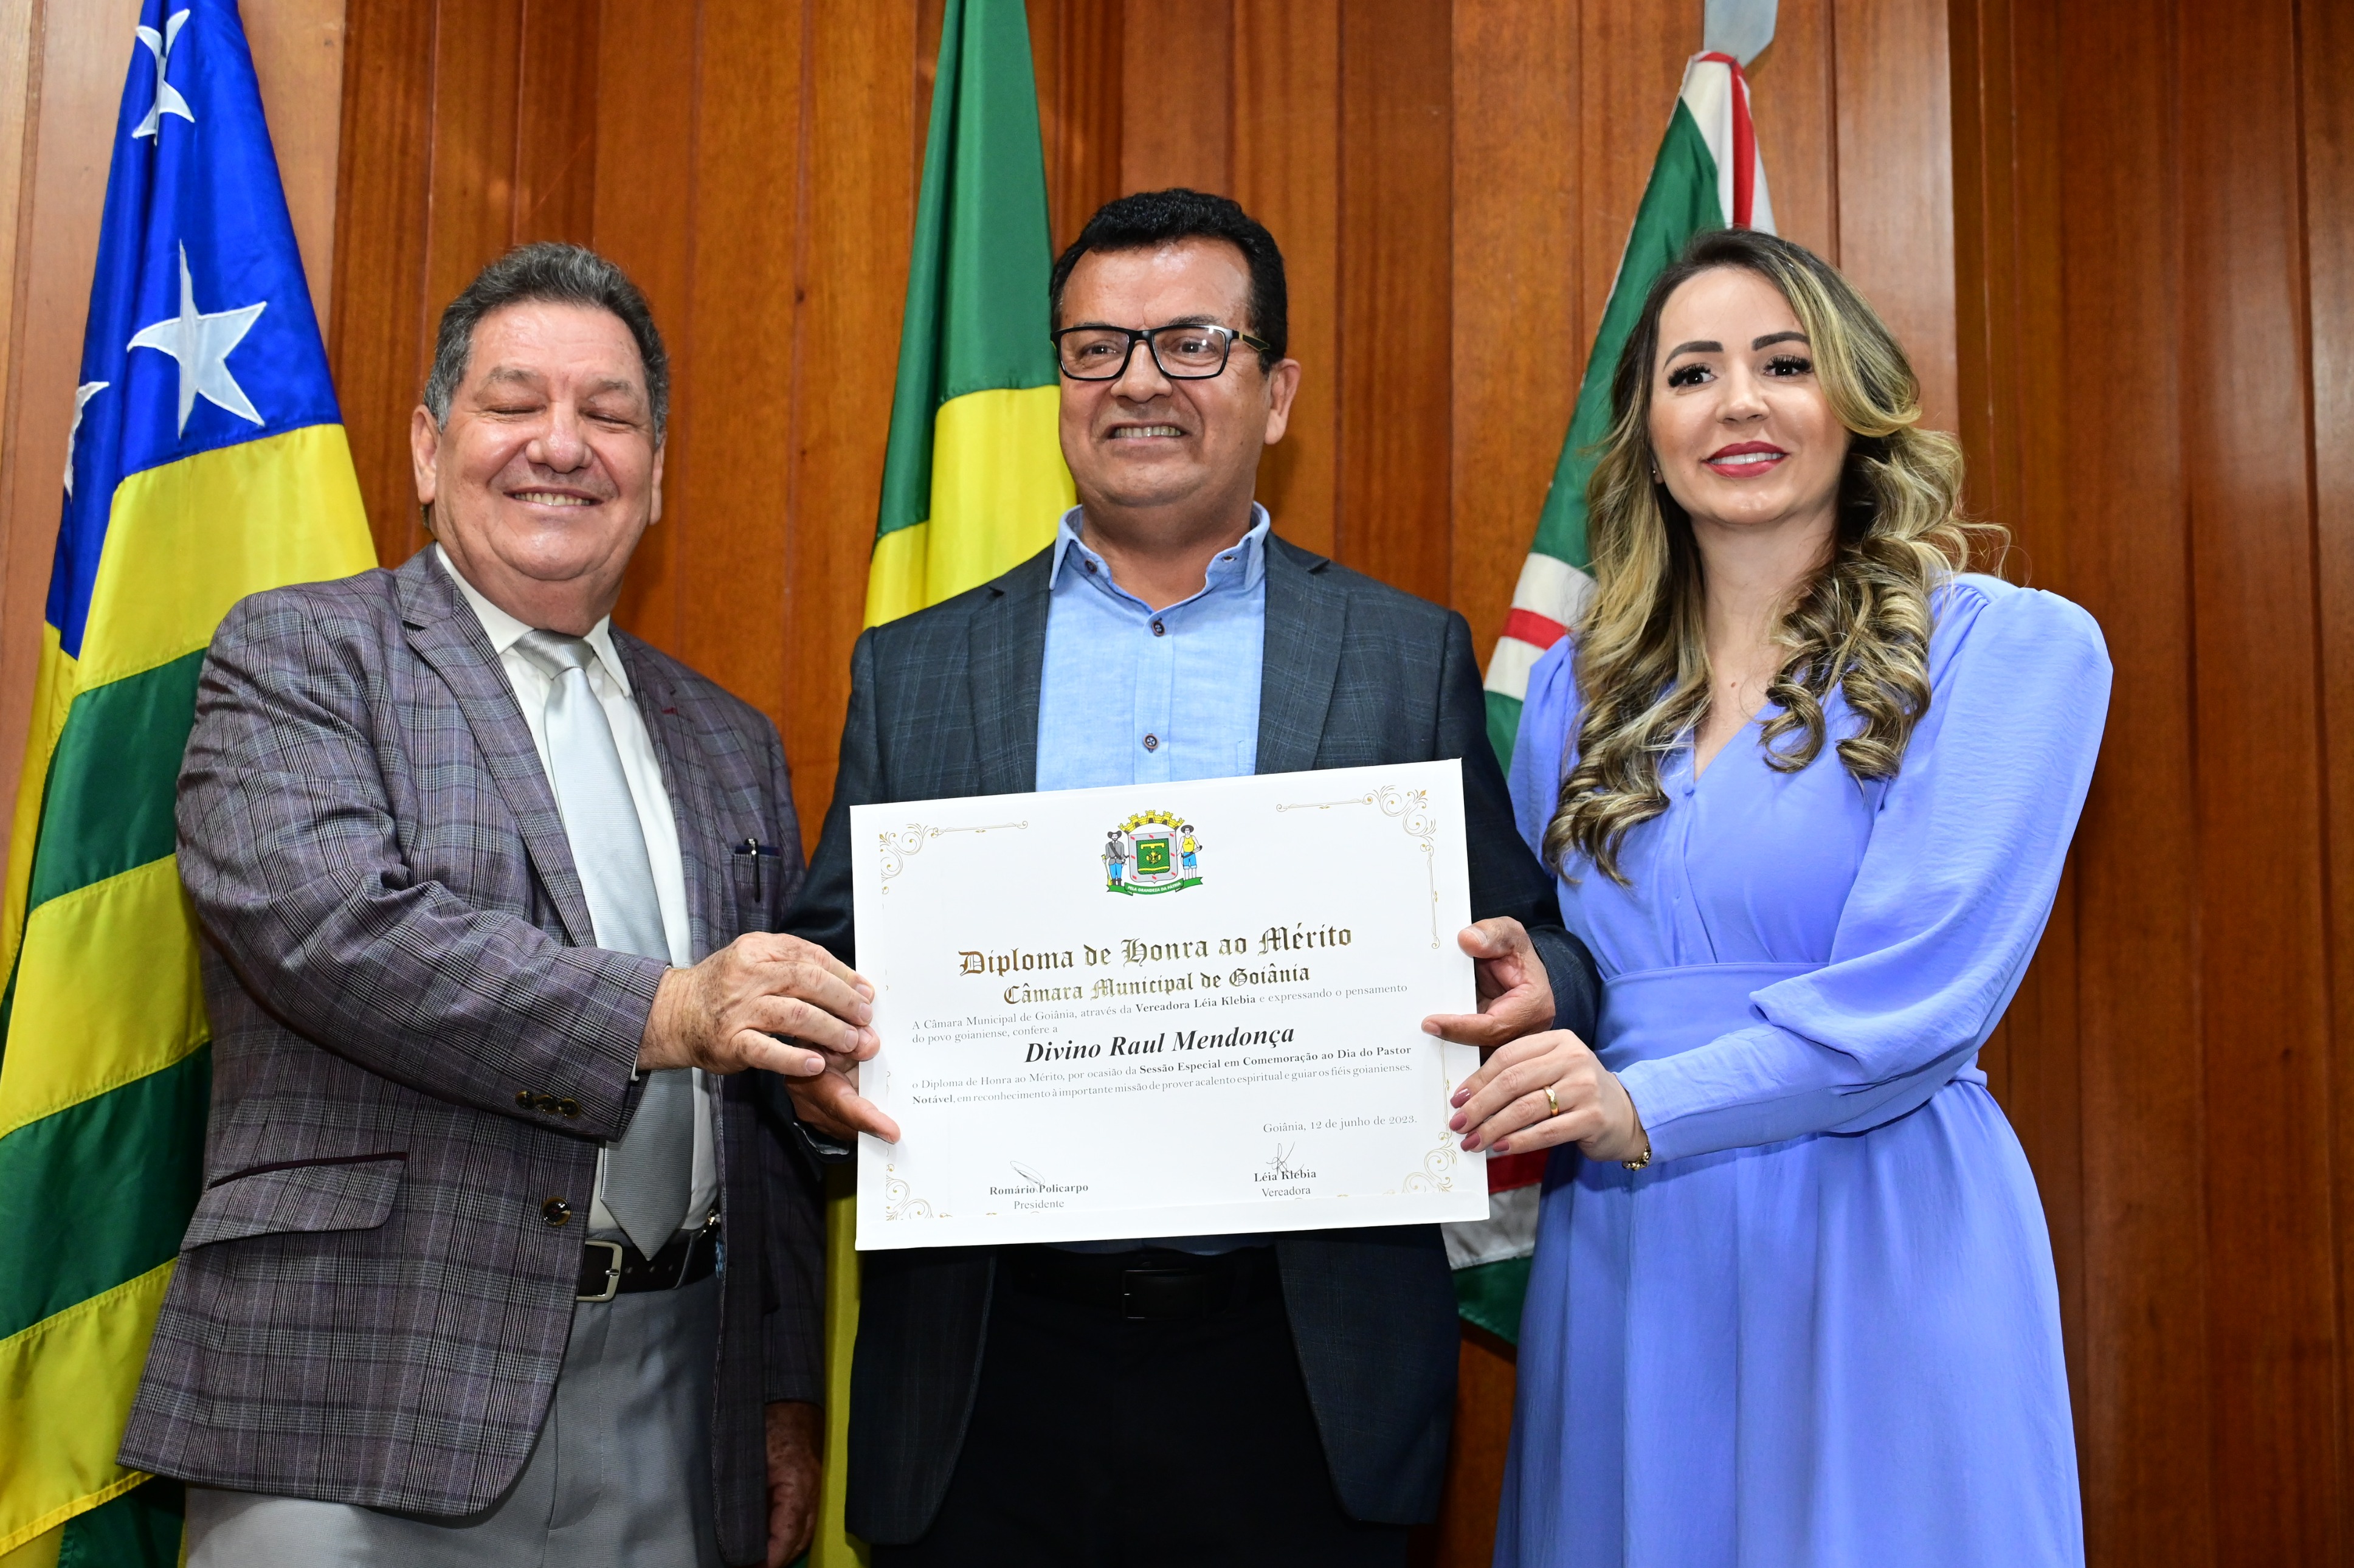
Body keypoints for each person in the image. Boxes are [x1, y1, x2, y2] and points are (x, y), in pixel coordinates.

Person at [783, 189, 1603, 1566]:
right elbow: (826, 966)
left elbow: (1539, 938)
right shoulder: (918, 667)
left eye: (1191, 344)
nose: (1138, 382)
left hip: (1299, 1371)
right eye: (1095, 349)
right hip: (990, 1373)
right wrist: (812, 1069)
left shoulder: (1402, 655)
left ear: (1275, 393)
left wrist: (1538, 988)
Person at [120, 243, 878, 1568]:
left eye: (609, 415)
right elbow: (333, 933)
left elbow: (762, 1095)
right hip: (362, 1397)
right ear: (429, 449)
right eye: (515, 403)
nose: (562, 446)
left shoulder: (731, 740)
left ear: (656, 469)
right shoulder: (301, 655)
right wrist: (671, 1008)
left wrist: (777, 1393)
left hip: (674, 1405)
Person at [1456, 227, 2107, 1566]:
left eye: (1785, 364)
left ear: (1856, 404)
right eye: (1692, 373)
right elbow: (1558, 962)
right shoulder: (1576, 690)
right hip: (1628, 1246)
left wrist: (1644, 1106)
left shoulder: (2006, 647)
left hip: (1879, 1228)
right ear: (1646, 436)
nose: (1739, 403)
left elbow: (1923, 995)